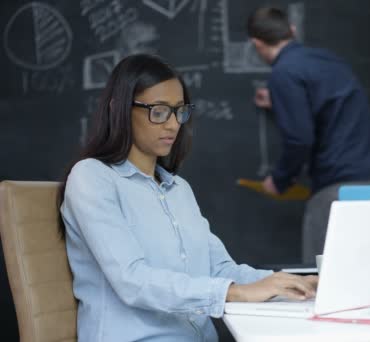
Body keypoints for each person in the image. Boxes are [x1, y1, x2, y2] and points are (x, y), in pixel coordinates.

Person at [58, 54, 317, 341]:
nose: (172, 125)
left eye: (179, 111)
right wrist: (237, 292)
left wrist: (287, 284)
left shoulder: (178, 188)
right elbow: (132, 280)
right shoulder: (92, 177)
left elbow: (218, 268)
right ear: (118, 109)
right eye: (158, 111)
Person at [247, 7, 370, 263]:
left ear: (257, 43)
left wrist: (280, 179)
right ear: (291, 31)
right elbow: (328, 102)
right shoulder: (328, 60)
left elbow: (300, 139)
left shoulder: (284, 73)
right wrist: (282, 101)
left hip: (339, 190)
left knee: (325, 278)